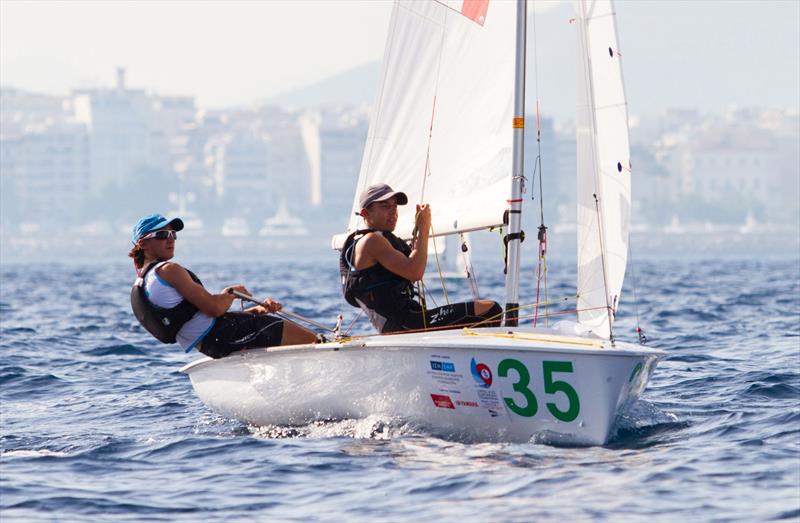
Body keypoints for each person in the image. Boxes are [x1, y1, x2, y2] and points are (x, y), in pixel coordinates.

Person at [128, 213, 318, 359]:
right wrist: (231, 293)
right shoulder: (169, 270)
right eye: (162, 235)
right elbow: (215, 309)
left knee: (273, 329)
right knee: (315, 342)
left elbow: (202, 319)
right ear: (143, 244)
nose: (170, 239)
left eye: (173, 234)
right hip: (223, 334)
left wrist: (258, 310)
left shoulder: (146, 281)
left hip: (213, 344)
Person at [339, 183, 503, 334]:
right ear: (365, 213)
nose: (393, 211)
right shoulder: (371, 242)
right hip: (405, 324)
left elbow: (410, 264)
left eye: (394, 206)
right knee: (491, 310)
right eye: (385, 206)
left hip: (407, 321)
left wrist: (418, 231)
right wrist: (424, 229)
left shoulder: (376, 240)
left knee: (484, 309)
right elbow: (414, 272)